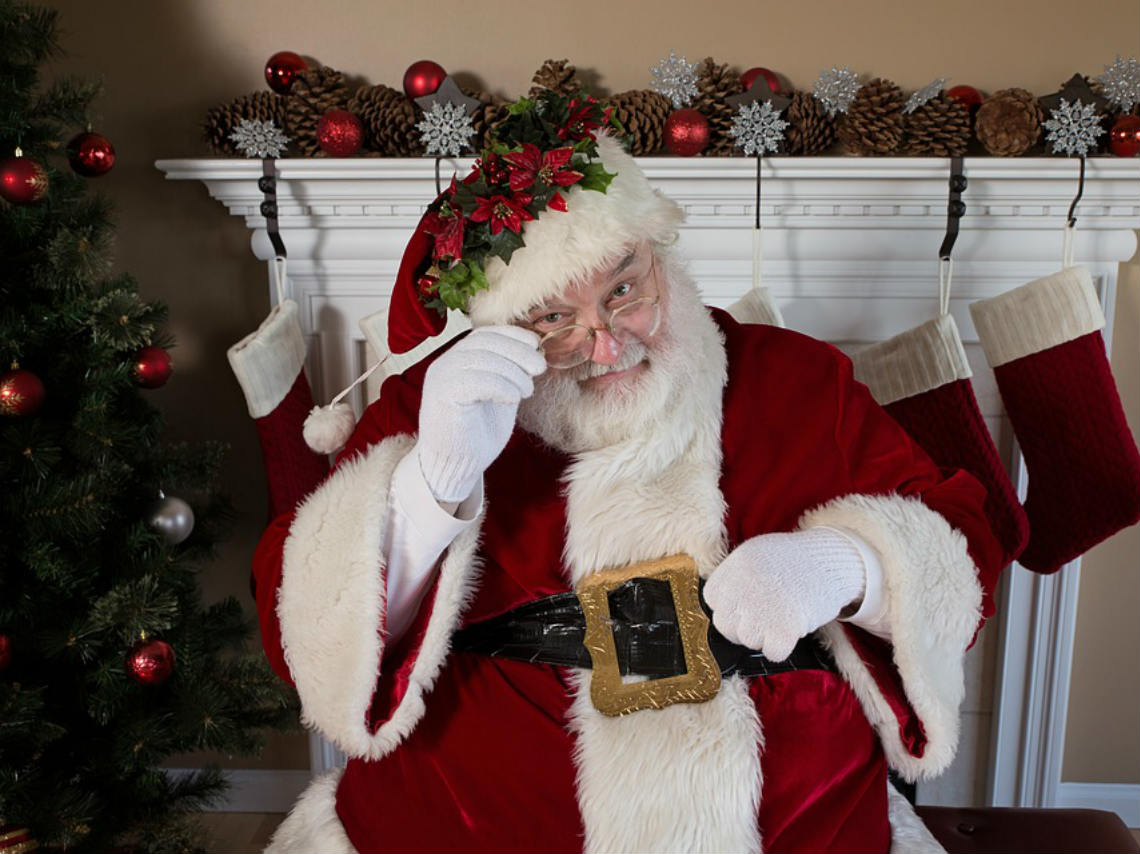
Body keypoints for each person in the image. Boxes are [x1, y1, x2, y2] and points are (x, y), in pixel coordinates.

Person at [253, 93, 1005, 854]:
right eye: (553, 320)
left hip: (802, 824)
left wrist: (851, 567)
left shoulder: (797, 379)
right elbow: (302, 632)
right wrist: (431, 485)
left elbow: (967, 542)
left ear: (659, 248)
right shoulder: (440, 405)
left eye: (624, 290)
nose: (608, 346)